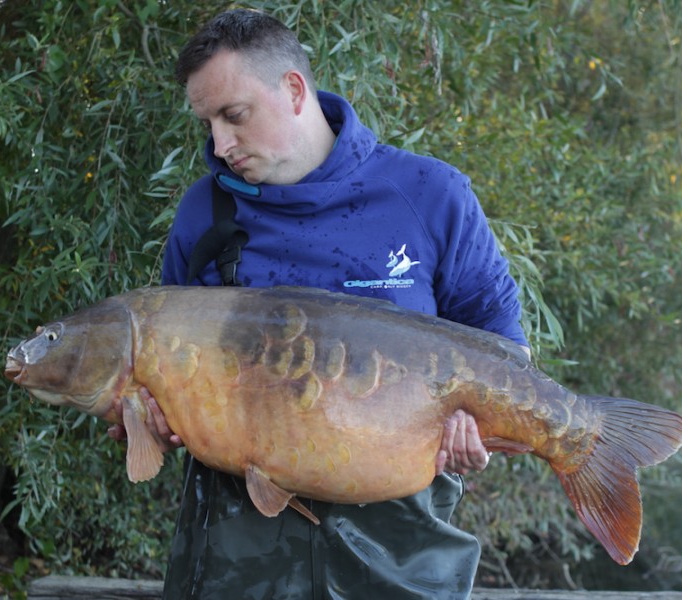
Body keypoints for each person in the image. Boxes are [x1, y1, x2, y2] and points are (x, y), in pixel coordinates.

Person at [110, 8, 530, 599]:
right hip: (236, 561)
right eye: (207, 123)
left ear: (294, 88)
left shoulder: (430, 197)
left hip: (400, 558)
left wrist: (480, 431)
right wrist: (150, 419)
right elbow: (161, 374)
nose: (220, 143)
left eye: (234, 116)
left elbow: (509, 352)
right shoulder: (203, 216)